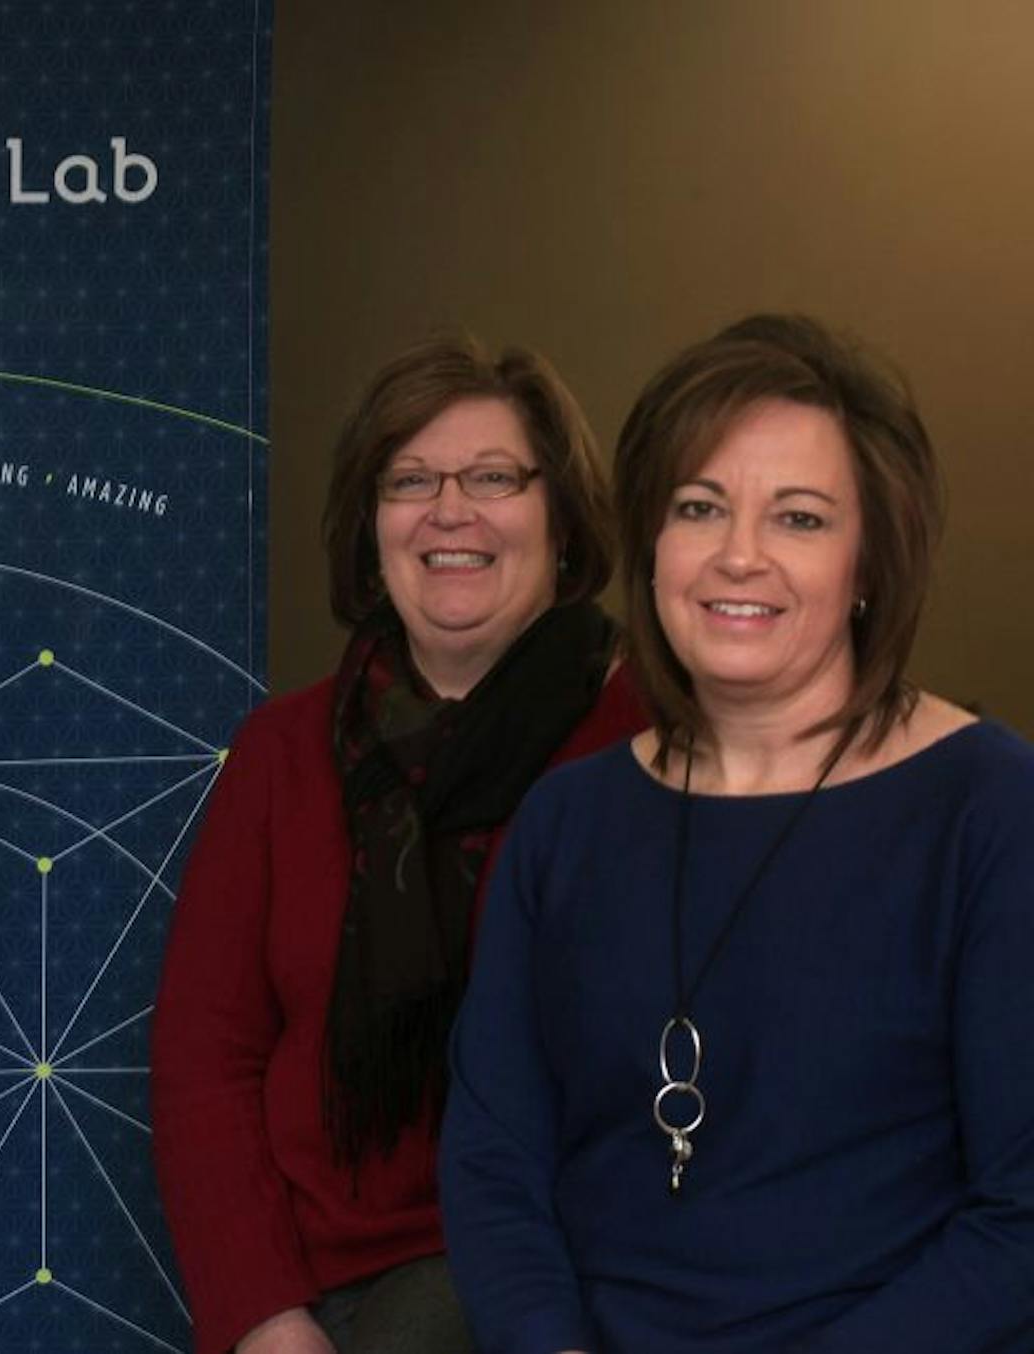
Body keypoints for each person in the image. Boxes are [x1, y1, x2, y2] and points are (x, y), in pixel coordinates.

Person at [440, 314, 1034, 1352]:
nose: (739, 556)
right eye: (699, 507)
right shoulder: (565, 823)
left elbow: (1022, 1219)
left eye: (800, 518)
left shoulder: (988, 806)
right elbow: (495, 1161)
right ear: (655, 546)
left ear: (869, 562)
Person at [151, 336, 647, 1354]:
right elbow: (205, 1056)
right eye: (409, 480)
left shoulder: (653, 746)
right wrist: (263, 1317)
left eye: (494, 477)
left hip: (563, 1275)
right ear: (371, 529)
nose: (448, 510)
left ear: (562, 521)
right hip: (313, 1291)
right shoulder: (282, 752)